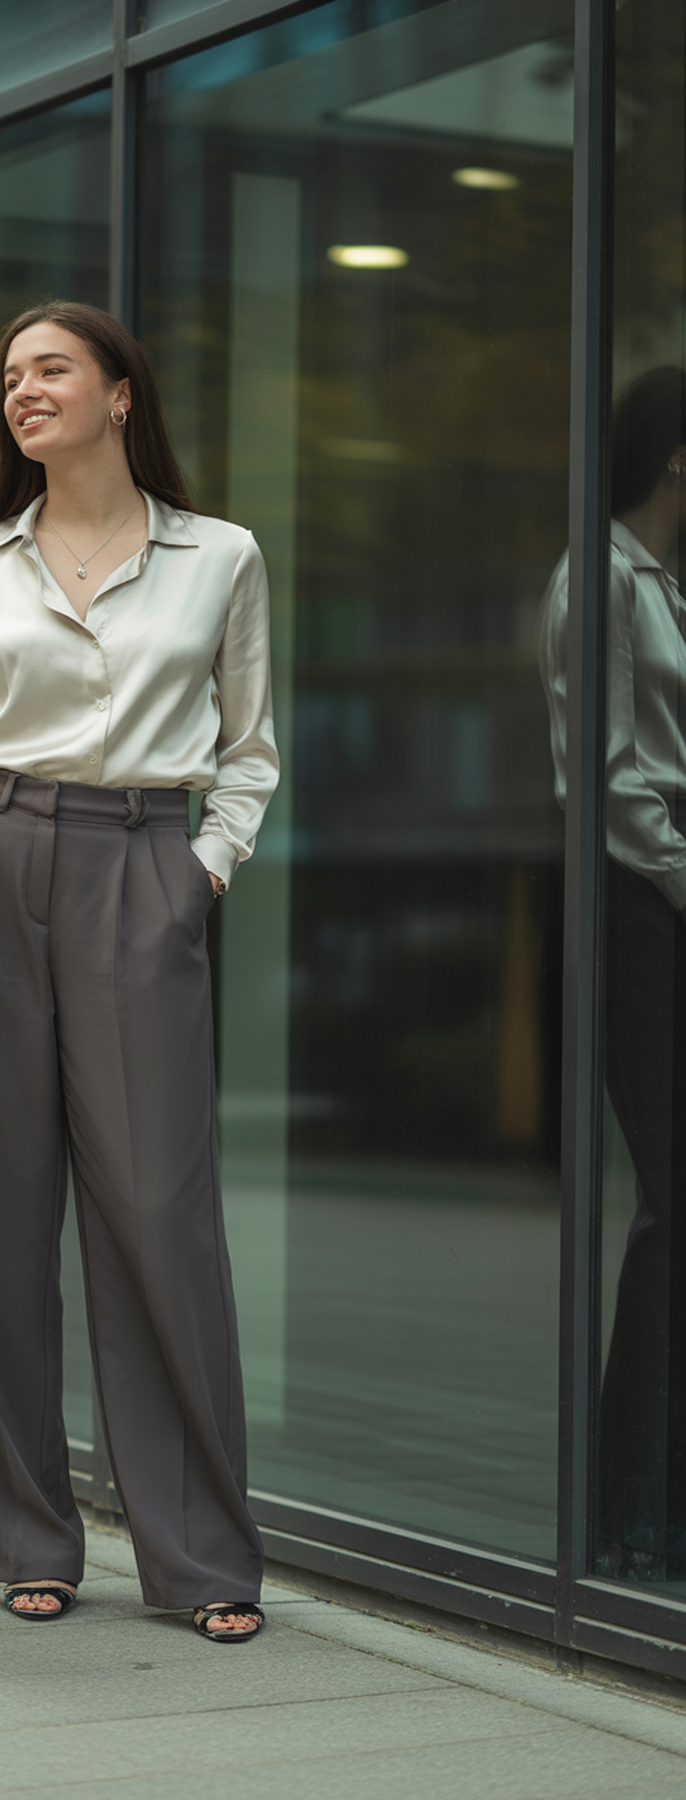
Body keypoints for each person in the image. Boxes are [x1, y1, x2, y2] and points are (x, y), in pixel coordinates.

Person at [0, 301, 278, 1639]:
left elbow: (252, 749)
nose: (24, 391)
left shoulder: (219, 555)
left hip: (143, 872)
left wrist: (200, 872)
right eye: (9, 377)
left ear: (117, 394)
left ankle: (202, 1555)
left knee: (161, 1222)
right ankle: (28, 1536)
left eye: (51, 369)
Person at [540, 365, 686, 1578]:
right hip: (643, 912)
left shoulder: (659, 586)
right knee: (671, 1201)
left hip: (667, 902)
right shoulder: (599, 581)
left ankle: (654, 1498)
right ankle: (627, 1510)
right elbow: (615, 779)